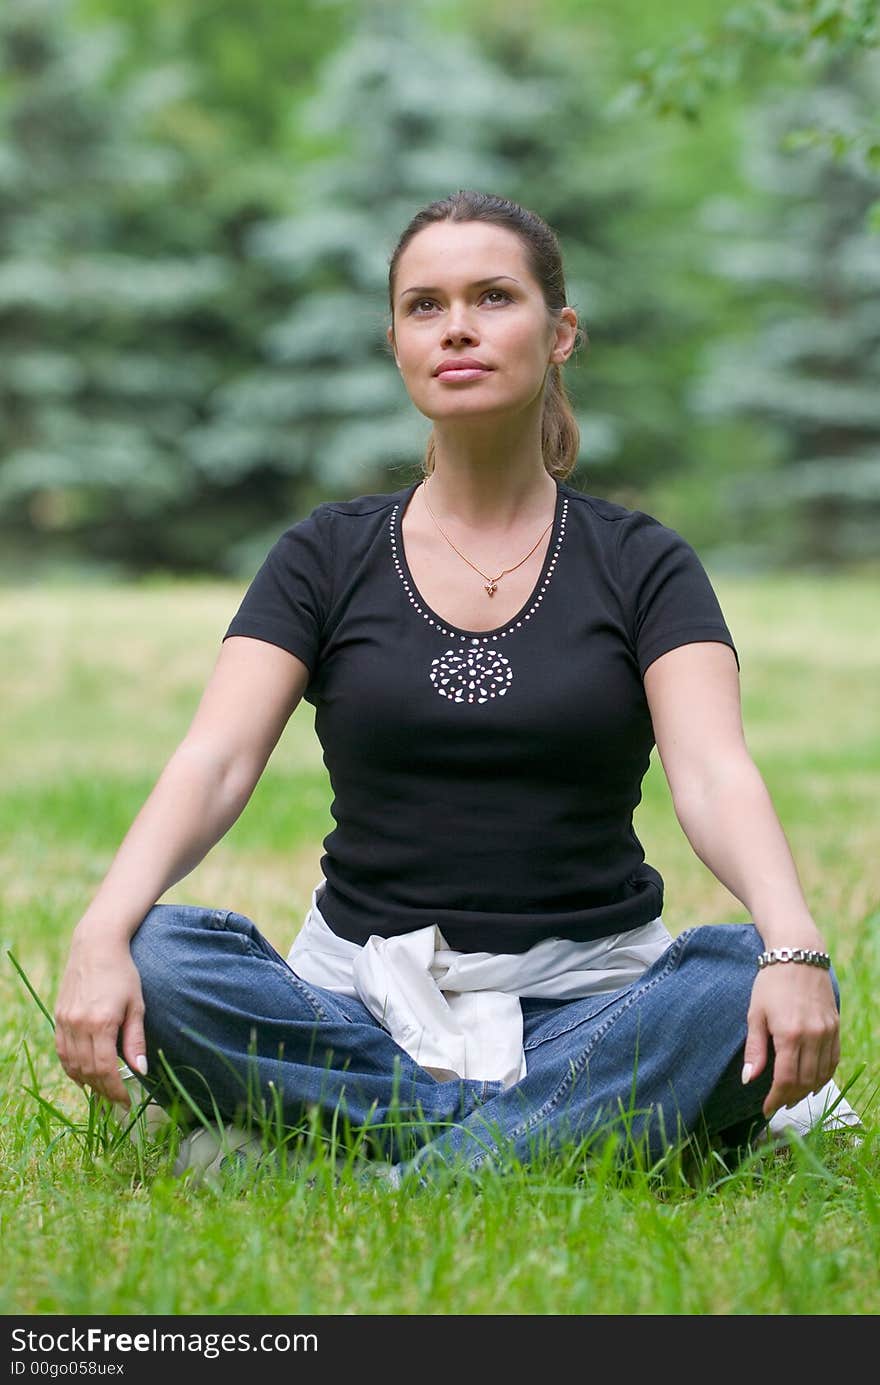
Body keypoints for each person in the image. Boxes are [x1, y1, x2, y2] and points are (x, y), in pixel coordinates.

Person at [54, 190, 853, 1189]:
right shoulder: (324, 553)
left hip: (590, 1000)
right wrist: (99, 930)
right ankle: (540, 1138)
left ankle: (365, 1162)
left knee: (733, 977)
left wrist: (792, 944)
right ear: (395, 339)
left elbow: (712, 772)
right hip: (360, 1003)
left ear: (559, 333)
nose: (458, 326)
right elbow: (214, 760)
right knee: (163, 953)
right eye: (425, 305)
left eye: (493, 296)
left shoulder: (641, 560)